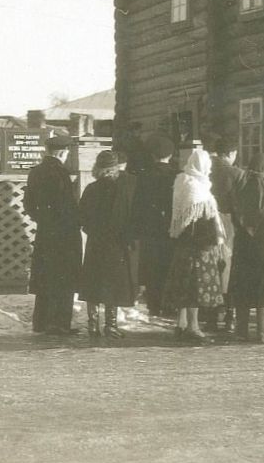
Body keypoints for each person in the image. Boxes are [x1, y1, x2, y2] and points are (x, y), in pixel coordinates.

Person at [163, 147, 226, 344]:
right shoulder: (196, 188)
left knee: (184, 286)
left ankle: (181, 324)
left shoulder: (182, 181)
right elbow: (199, 220)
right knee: (195, 289)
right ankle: (193, 326)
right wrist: (213, 240)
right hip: (198, 247)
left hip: (183, 245)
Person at [23, 133, 81, 335]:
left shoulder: (35, 172)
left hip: (45, 232)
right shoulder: (60, 174)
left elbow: (28, 204)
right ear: (63, 152)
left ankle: (40, 322)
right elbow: (67, 207)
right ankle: (59, 323)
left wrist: (43, 220)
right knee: (63, 278)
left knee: (45, 278)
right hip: (64, 234)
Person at [78, 150, 137, 339]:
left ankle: (92, 324)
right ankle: (110, 324)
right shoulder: (121, 190)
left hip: (96, 242)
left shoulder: (91, 189)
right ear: (115, 168)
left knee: (93, 283)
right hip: (116, 243)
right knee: (113, 283)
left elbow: (82, 217)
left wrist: (93, 232)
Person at [227, 152, 264, 343]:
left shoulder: (238, 190)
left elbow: (233, 215)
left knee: (243, 285)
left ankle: (240, 330)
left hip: (243, 243)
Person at [131, 133, 176, 317]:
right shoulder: (176, 176)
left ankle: (154, 303)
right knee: (170, 264)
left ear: (152, 155)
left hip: (149, 229)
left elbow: (137, 205)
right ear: (170, 155)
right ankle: (169, 303)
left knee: (152, 266)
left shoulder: (142, 177)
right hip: (171, 227)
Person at [208, 137, 243, 333]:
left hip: (207, 220)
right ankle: (229, 314)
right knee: (228, 268)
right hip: (228, 222)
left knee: (211, 265)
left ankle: (212, 315)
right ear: (231, 154)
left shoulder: (206, 169)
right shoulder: (235, 173)